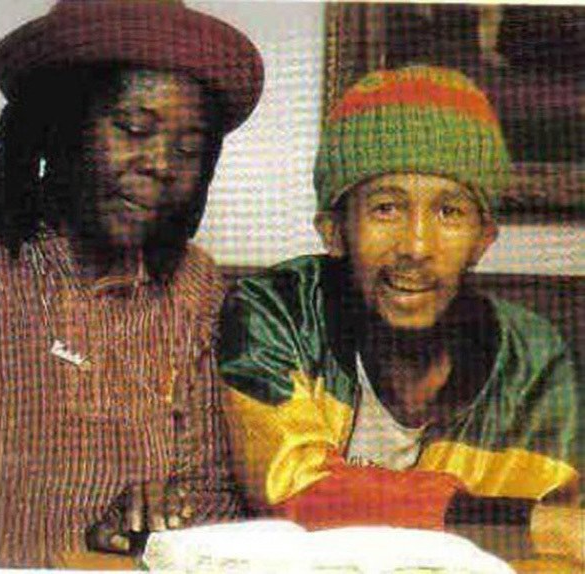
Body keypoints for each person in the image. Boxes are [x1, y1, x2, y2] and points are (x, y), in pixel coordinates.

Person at [0, 0, 263, 566]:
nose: (162, 164)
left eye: (189, 148)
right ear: (57, 124)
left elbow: (210, 501)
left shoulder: (195, 287)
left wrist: (148, 529)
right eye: (134, 128)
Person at [219, 66, 584, 562]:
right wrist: (531, 525)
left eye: (449, 212)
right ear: (333, 231)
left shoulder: (531, 360)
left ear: (483, 240)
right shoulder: (276, 313)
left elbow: (557, 540)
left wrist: (540, 530)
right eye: (386, 208)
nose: (415, 246)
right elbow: (292, 492)